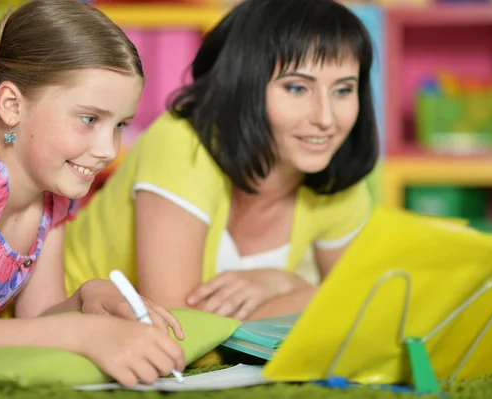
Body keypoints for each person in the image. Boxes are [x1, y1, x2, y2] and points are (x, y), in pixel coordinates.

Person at [63, 0, 379, 321]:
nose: (326, 118)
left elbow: (363, 315)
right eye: (297, 88)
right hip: (60, 328)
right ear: (243, 86)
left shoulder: (333, 173)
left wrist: (286, 284)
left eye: (343, 90)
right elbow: (180, 328)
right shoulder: (183, 142)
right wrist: (305, 292)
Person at [0, 0, 186, 387]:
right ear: (11, 105)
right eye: (90, 119)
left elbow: (37, 321)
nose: (108, 150)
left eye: (119, 125)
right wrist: (80, 335)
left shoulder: (53, 192)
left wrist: (86, 297)